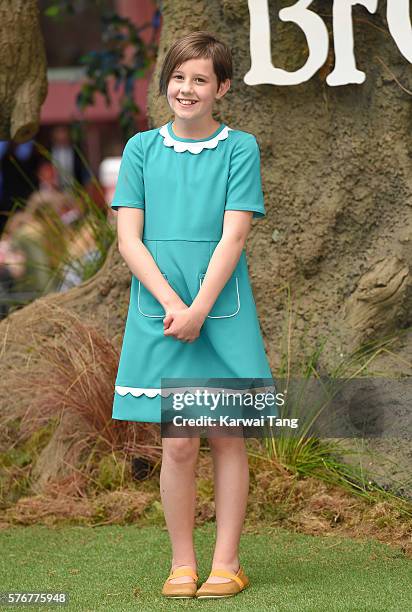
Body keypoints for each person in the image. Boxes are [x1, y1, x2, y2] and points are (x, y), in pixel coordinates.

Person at [110, 31, 277, 599]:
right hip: (160, 310)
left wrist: (201, 307)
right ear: (167, 83)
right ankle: (183, 564)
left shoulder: (240, 148)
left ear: (221, 88)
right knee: (179, 441)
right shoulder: (140, 149)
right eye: (179, 77)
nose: (187, 88)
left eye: (200, 79)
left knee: (227, 435)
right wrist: (175, 307)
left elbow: (234, 237)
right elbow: (129, 240)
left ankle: (226, 563)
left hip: (220, 309)